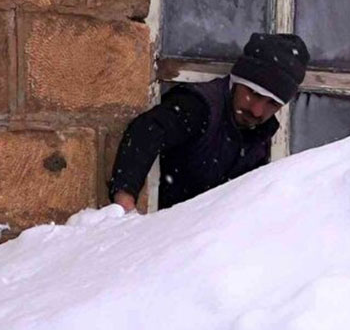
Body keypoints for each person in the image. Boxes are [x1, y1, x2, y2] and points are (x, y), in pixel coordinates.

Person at [108, 33, 310, 211]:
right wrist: (124, 199)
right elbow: (146, 132)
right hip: (169, 237)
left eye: (272, 104)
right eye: (253, 94)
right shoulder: (199, 106)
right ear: (238, 82)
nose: (257, 111)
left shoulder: (260, 134)